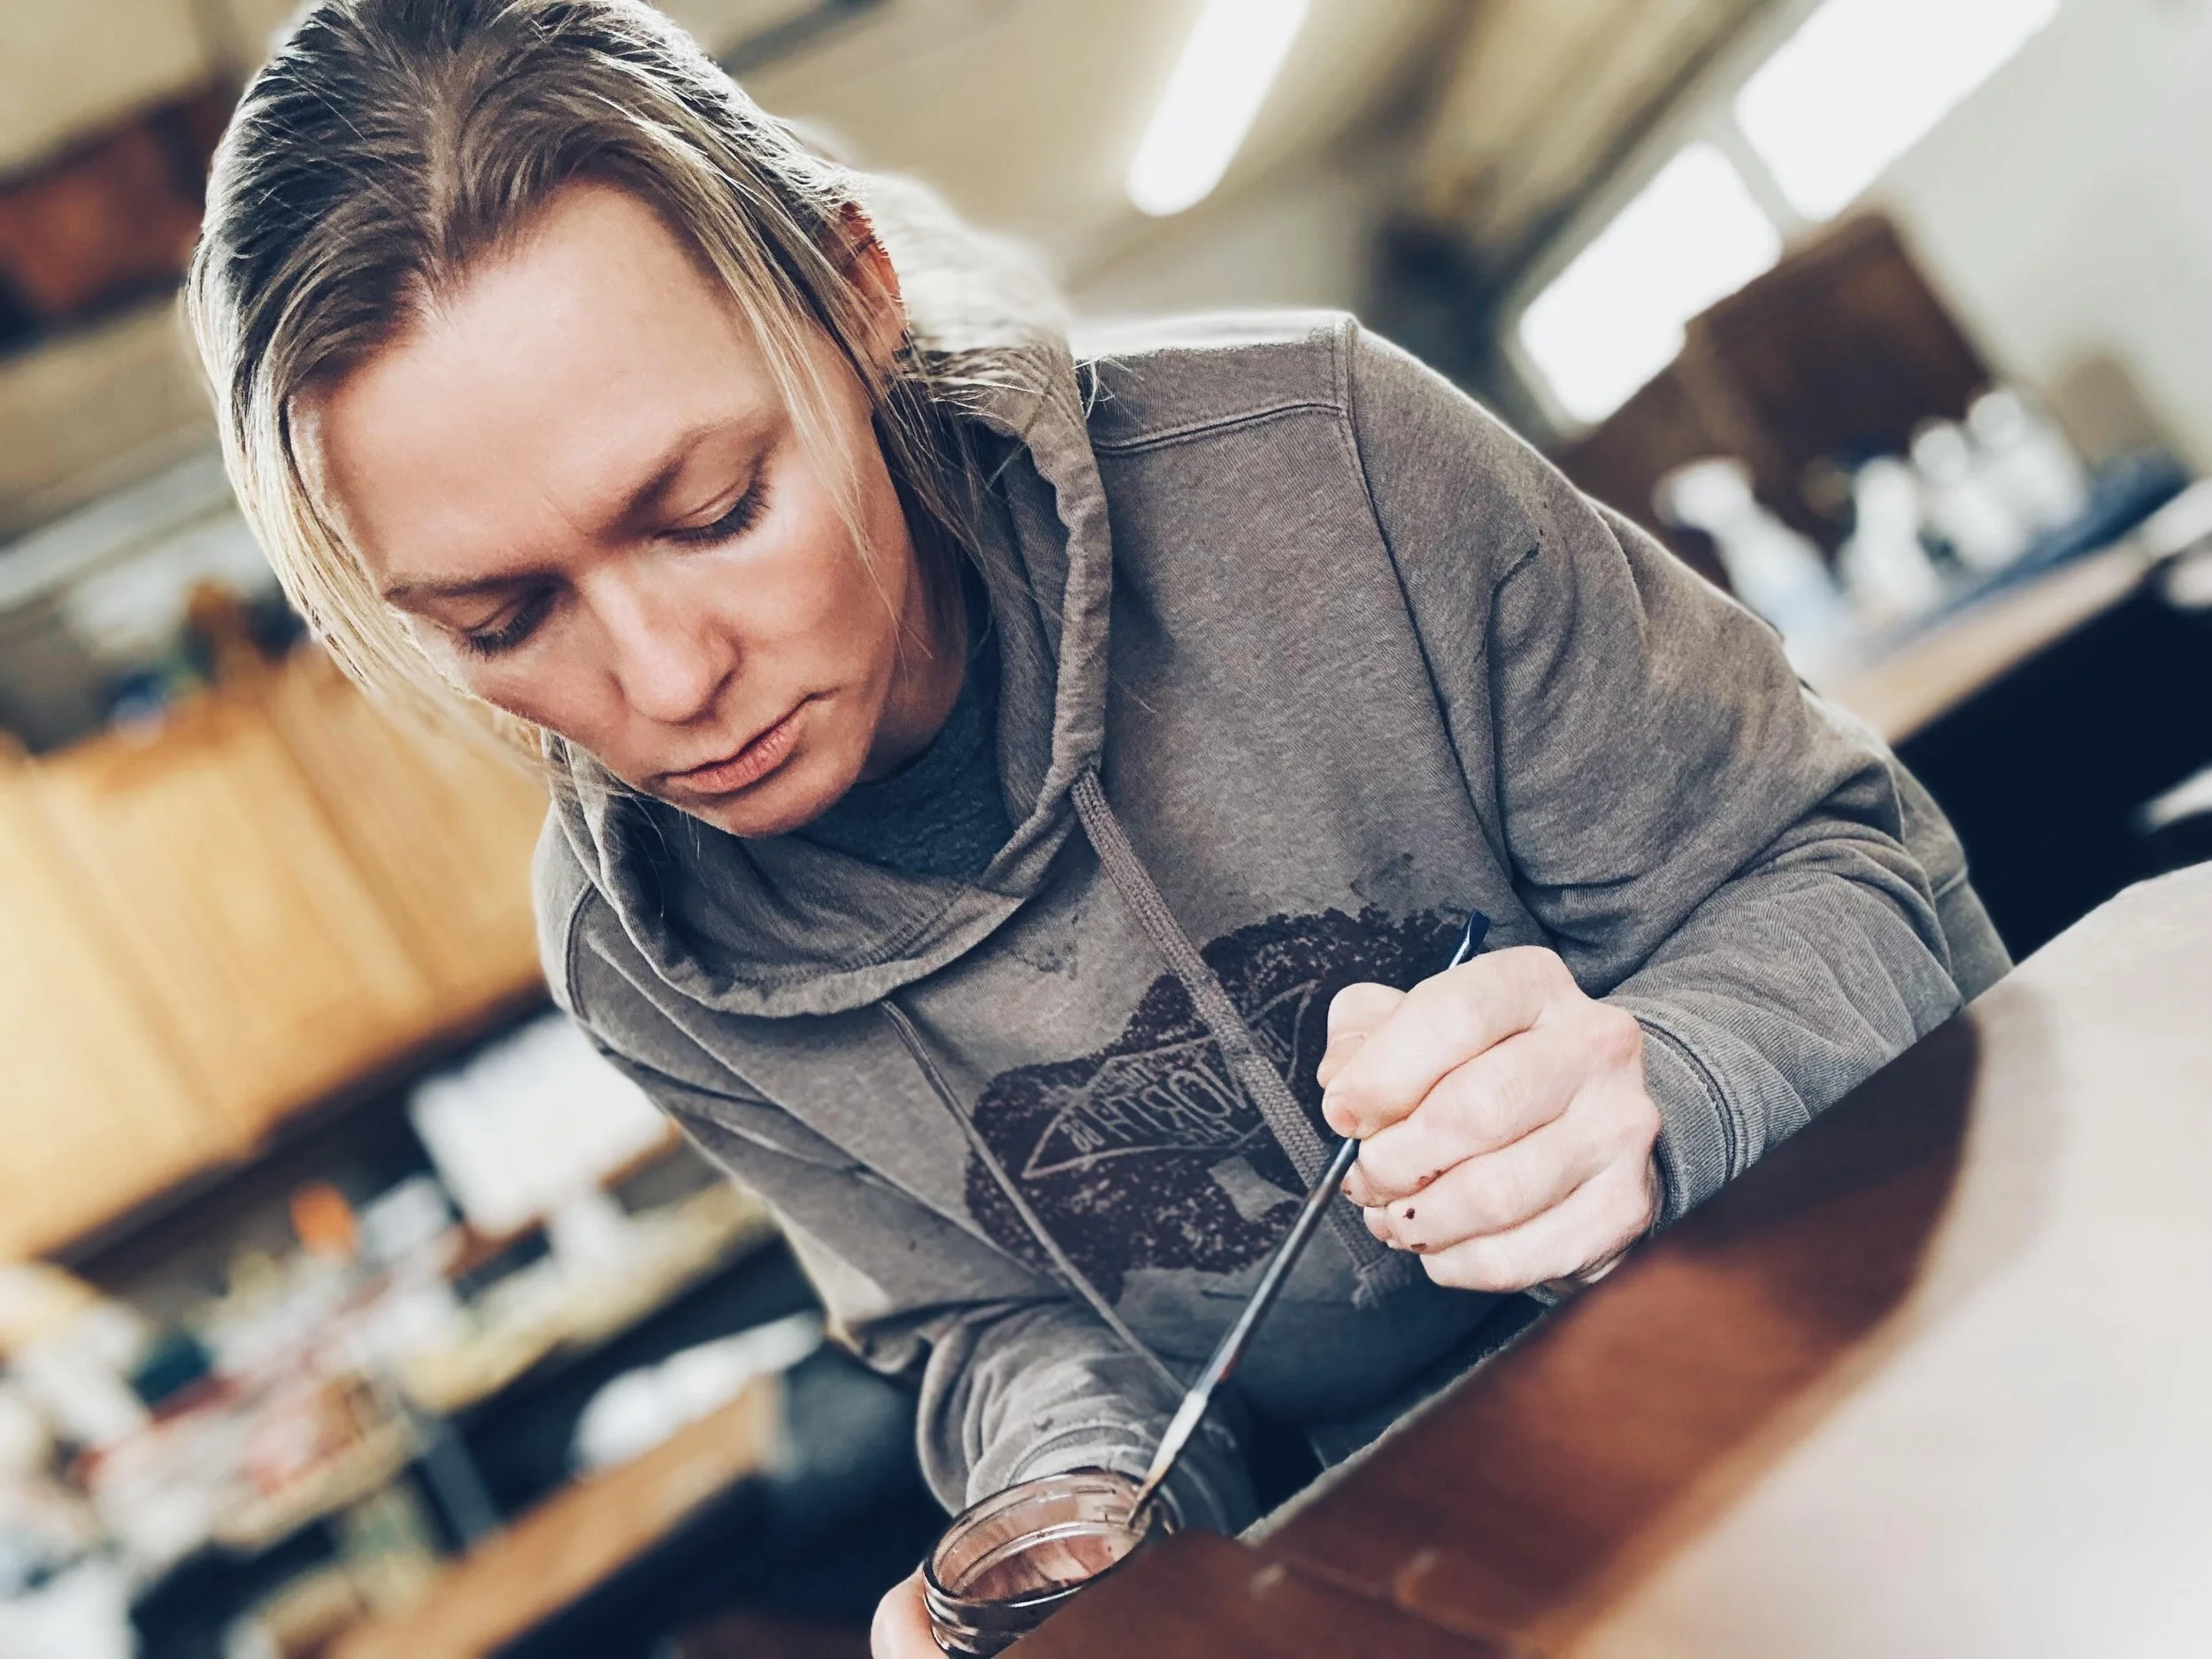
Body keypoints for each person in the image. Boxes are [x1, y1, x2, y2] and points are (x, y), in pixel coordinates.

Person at [187, 2, 2010, 1651]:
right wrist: (1061, 1504)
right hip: (1430, 1582)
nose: (664, 681)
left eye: (713, 506)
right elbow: (985, 1320)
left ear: (853, 298)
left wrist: (1667, 1075)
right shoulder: (645, 960)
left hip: (1861, 1354)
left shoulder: (1325, 465)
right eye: (504, 621)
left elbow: (1836, 875)